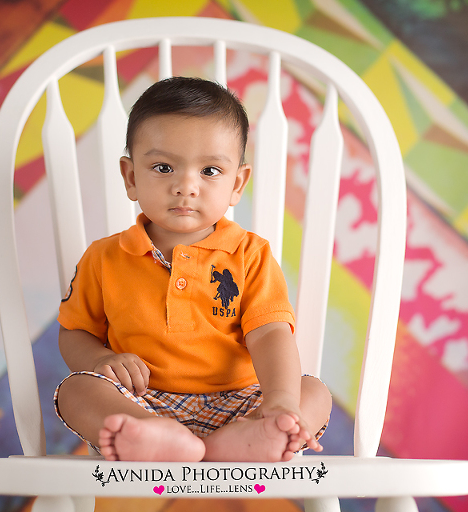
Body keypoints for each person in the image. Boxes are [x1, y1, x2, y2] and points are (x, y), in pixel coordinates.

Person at [54, 77, 332, 462]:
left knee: (313, 391)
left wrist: (280, 401)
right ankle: (153, 436)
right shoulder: (104, 257)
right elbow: (76, 333)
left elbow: (270, 334)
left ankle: (247, 438)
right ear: (132, 177)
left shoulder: (250, 254)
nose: (186, 186)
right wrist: (100, 361)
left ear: (237, 184)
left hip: (241, 403)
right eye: (164, 167)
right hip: (142, 401)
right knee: (76, 390)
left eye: (210, 171)